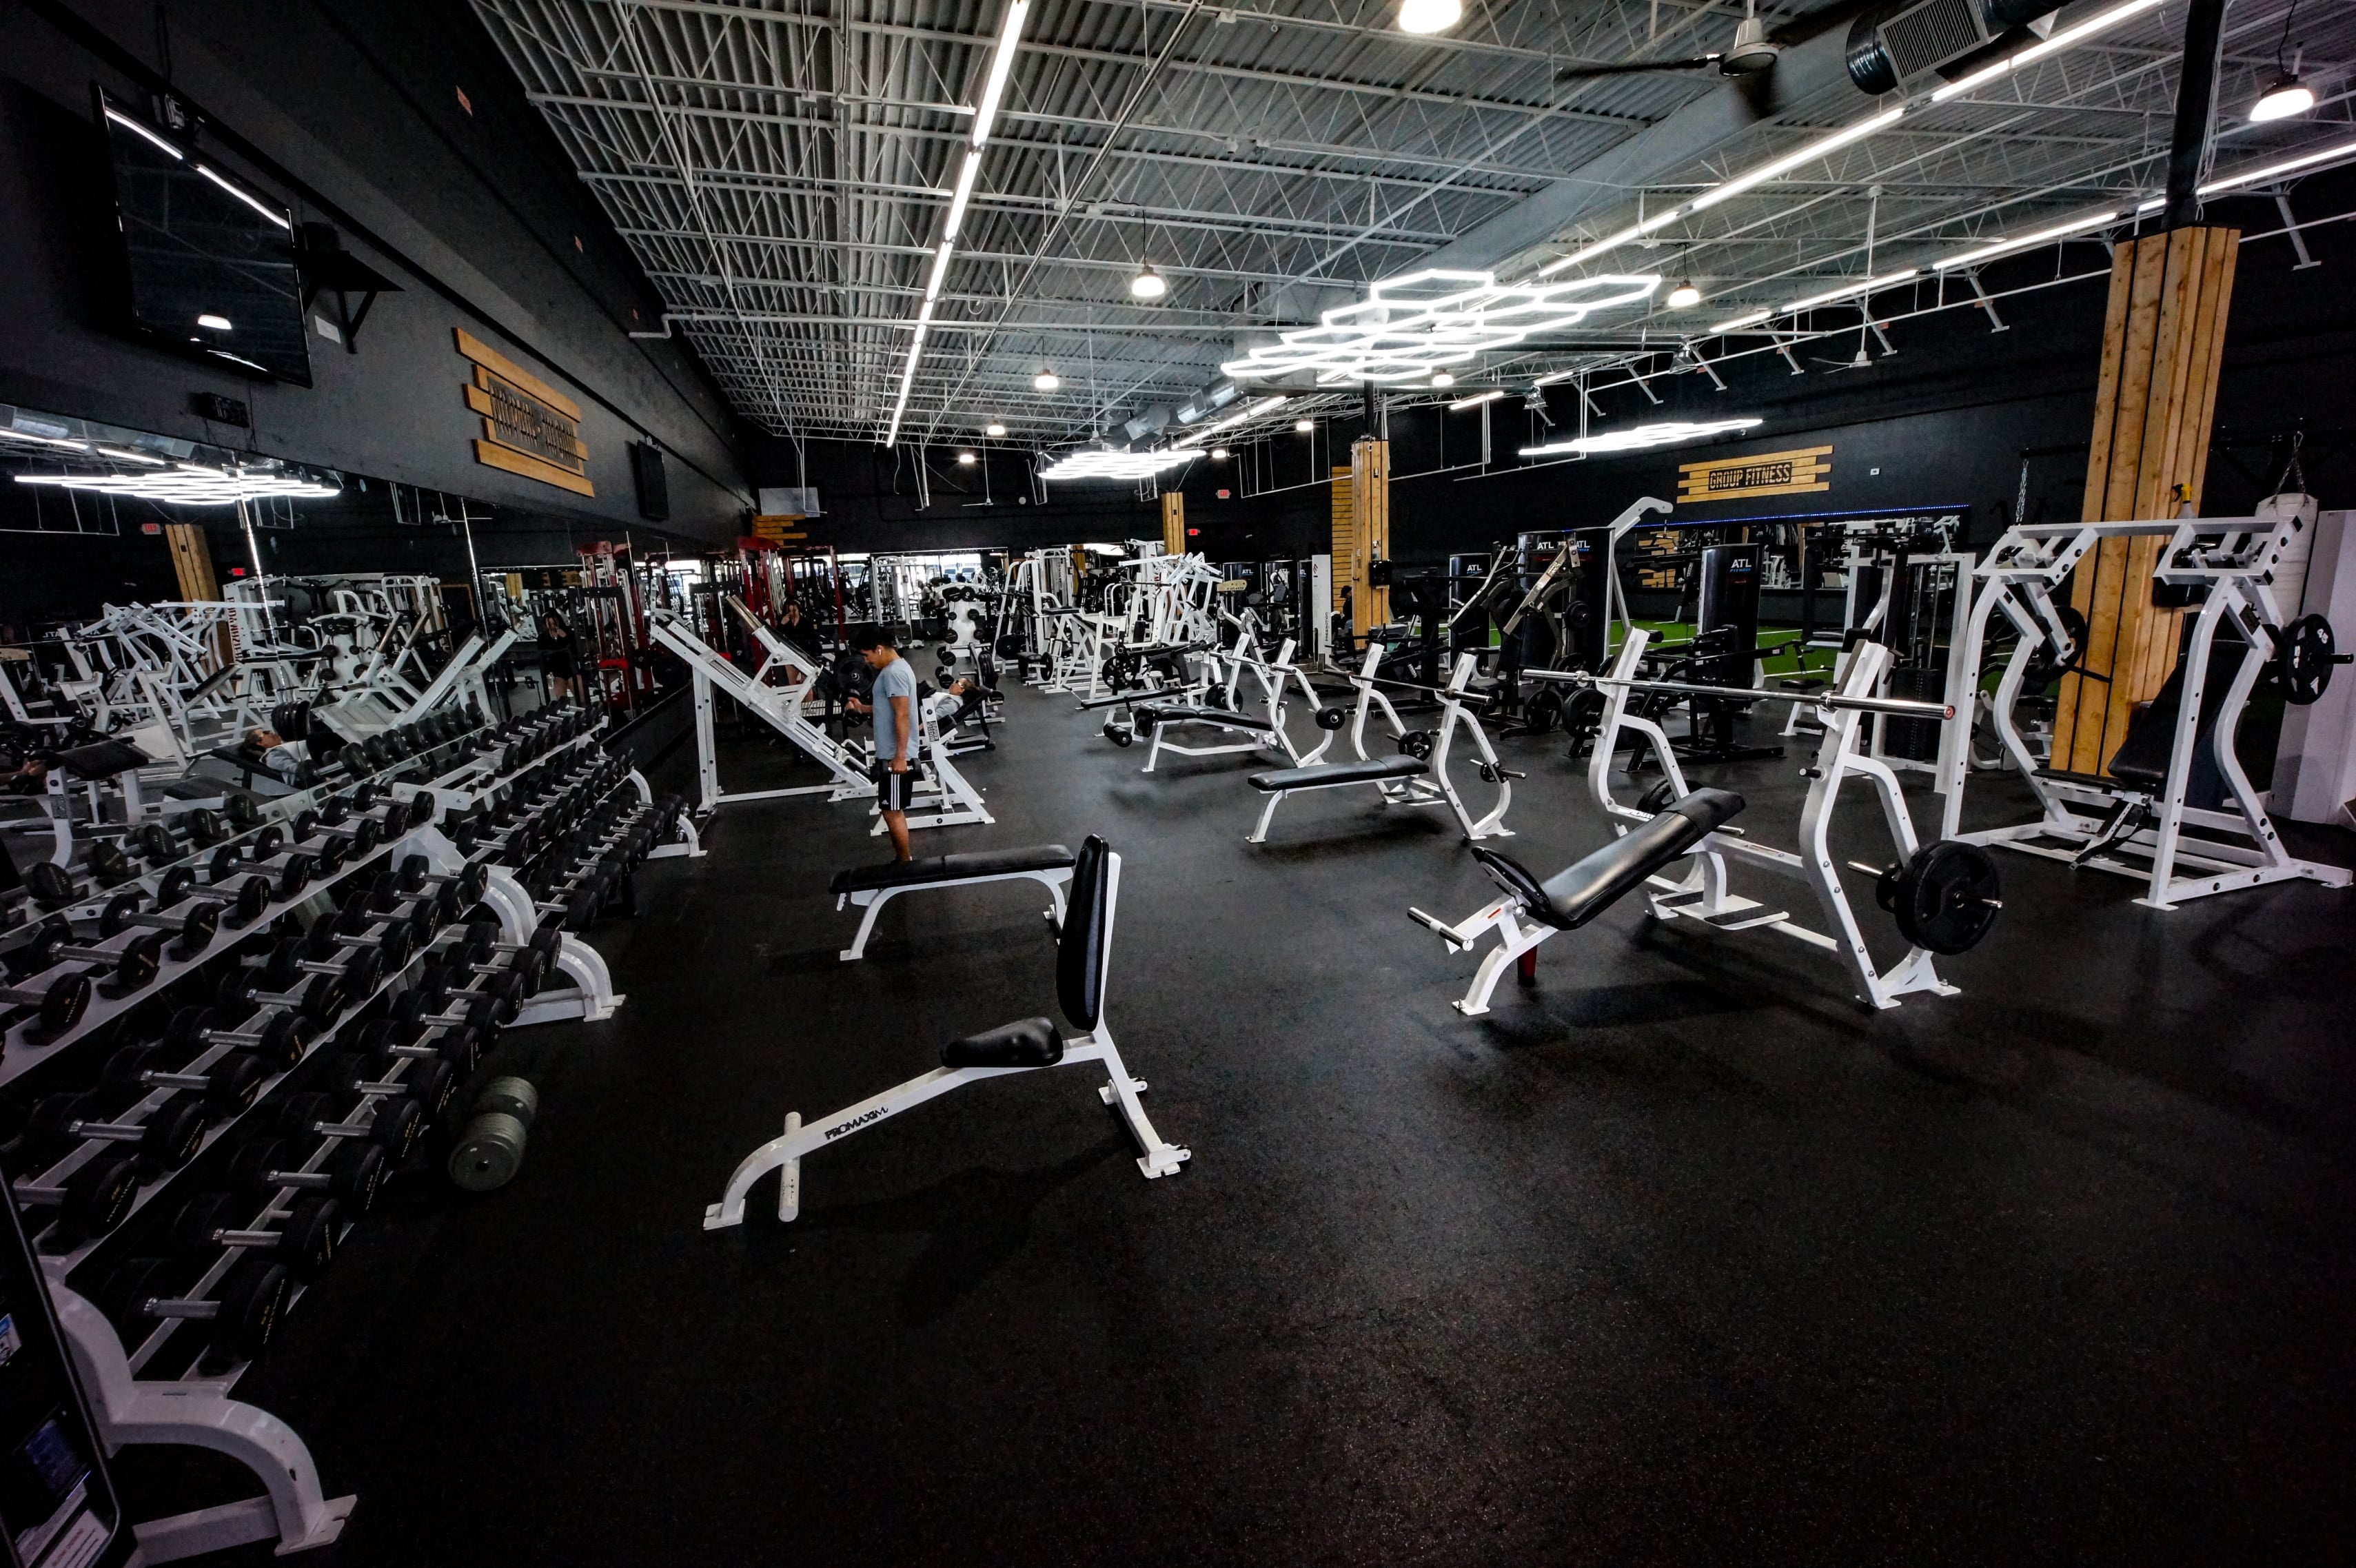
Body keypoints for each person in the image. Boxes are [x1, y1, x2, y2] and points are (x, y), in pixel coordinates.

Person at [843, 623, 917, 862]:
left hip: (894, 755)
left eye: (867, 655)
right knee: (890, 810)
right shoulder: (895, 669)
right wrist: (862, 708)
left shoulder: (894, 673)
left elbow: (902, 714)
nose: (866, 661)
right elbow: (888, 708)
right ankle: (902, 860)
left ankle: (905, 863)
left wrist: (900, 757)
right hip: (891, 752)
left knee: (892, 812)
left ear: (879, 649)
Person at [539, 604, 576, 703]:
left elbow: (575, 650)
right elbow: (542, 656)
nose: (553, 626)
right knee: (562, 701)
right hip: (556, 672)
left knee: (581, 697)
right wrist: (547, 674)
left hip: (571, 668)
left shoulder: (568, 633)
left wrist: (565, 637)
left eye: (554, 623)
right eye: (550, 624)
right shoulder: (543, 637)